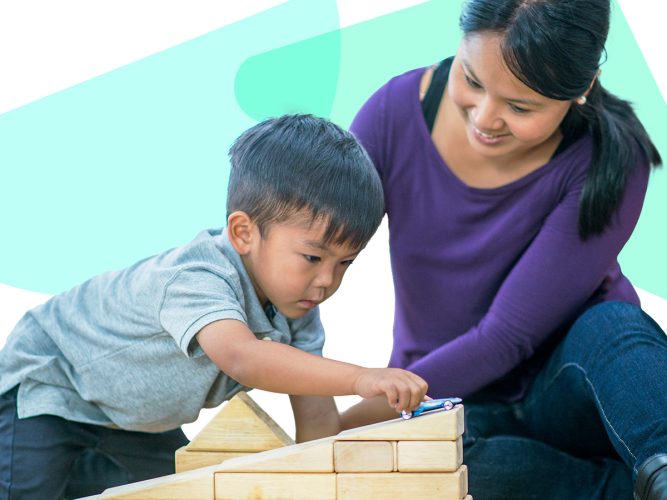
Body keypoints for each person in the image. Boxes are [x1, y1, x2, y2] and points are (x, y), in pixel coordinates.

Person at [0, 114, 428, 499]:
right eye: (313, 258)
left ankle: (79, 472)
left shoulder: (298, 309)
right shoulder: (198, 275)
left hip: (133, 421)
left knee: (186, 490)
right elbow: (242, 356)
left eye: (345, 263)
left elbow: (317, 420)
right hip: (52, 386)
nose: (326, 281)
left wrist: (327, 481)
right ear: (243, 233)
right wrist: (359, 378)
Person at [343, 0, 667, 498]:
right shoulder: (393, 114)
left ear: (581, 88)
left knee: (616, 328)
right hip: (445, 400)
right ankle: (622, 490)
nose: (486, 118)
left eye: (520, 107)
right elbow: (309, 243)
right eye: (471, 79)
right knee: (438, 467)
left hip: (572, 392)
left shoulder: (611, 156)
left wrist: (344, 424)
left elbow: (505, 338)